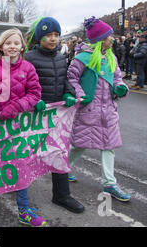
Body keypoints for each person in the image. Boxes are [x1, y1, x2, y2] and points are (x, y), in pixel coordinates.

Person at [24, 17, 85, 215]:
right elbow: (24, 85)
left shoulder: (61, 57)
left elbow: (65, 78)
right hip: (35, 116)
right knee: (27, 155)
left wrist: (68, 93)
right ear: (39, 38)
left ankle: (62, 195)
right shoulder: (29, 58)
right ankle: (16, 188)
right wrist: (34, 101)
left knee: (59, 152)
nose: (53, 39)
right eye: (48, 35)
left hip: (57, 117)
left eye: (56, 35)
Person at [0, 28, 46, 226]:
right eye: (8, 43)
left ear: (22, 46)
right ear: (1, 46)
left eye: (16, 43)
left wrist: (16, 106)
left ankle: (23, 210)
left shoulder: (28, 68)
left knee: (20, 165)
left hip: (18, 126)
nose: (12, 46)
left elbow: (35, 93)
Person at [67, 16, 131, 202]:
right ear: (99, 39)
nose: (111, 39)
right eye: (108, 36)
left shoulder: (112, 57)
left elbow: (118, 78)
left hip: (108, 111)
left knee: (108, 147)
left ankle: (109, 183)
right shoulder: (82, 58)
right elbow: (71, 79)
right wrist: (80, 95)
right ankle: (64, 168)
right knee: (79, 145)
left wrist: (121, 88)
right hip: (88, 110)